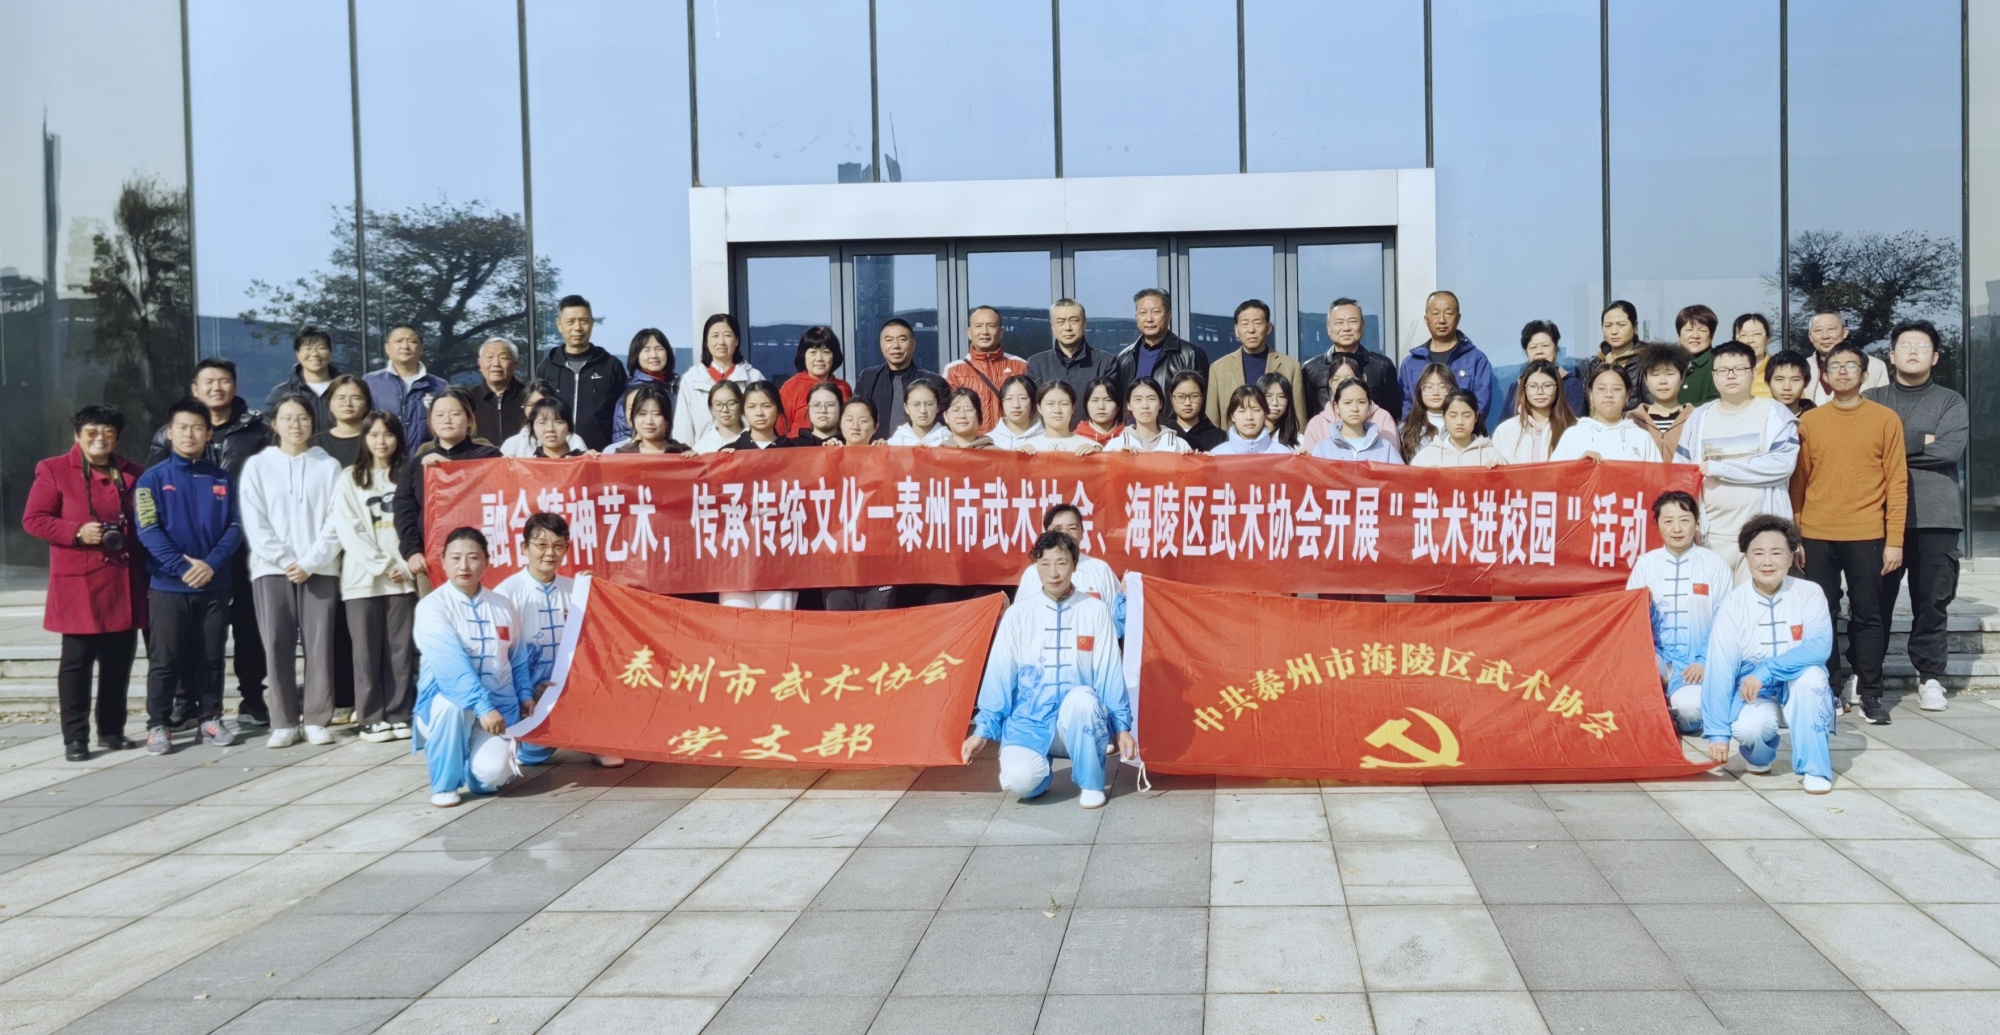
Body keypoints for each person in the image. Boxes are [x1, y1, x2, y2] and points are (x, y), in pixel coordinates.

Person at [968, 530, 1135, 809]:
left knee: (1084, 699)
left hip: (1078, 721)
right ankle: (1039, 774)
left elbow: (1110, 674)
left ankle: (1091, 783)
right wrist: (981, 732)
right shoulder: (1018, 615)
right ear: (1036, 566)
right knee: (1021, 782)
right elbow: (999, 676)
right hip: (1029, 721)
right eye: (1044, 563)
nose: (1053, 572)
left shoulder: (1095, 610)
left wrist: (1121, 728)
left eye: (1061, 562)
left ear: (1074, 564)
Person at [148, 358, 271, 731]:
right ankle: (186, 704)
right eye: (209, 381)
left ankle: (252, 697)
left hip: (243, 548)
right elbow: (155, 497)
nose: (217, 387)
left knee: (248, 628)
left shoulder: (259, 430)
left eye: (224, 381)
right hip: (184, 557)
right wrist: (178, 560)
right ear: (195, 389)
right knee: (187, 635)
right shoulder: (167, 436)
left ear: (235, 385)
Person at [1791, 340, 1908, 725]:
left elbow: (1897, 483)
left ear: (1865, 373)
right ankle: (1828, 688)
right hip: (1817, 533)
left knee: (1868, 614)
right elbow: (1798, 483)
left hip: (1867, 532)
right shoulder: (1811, 422)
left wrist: (1894, 540)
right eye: (1835, 366)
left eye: (1850, 366)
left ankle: (1871, 693)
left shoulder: (1885, 419)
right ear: (1824, 375)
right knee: (1821, 613)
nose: (1842, 371)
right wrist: (1797, 535)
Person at [24, 406, 147, 760]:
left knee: (118, 661)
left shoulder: (132, 472)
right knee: (76, 663)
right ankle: (75, 737)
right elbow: (34, 519)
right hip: (79, 584)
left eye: (108, 432)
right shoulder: (53, 470)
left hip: (122, 580)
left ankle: (112, 730)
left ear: (117, 437)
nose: (100, 438)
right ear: (77, 435)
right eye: (92, 431)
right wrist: (76, 532)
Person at [1866, 320, 1966, 714]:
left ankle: (1930, 677)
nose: (1912, 351)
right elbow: (1864, 449)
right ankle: (1867, 674)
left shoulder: (1950, 401)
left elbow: (1949, 450)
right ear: (1891, 356)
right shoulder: (1872, 398)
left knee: (1932, 601)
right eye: (1905, 345)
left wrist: (1890, 446)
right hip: (1878, 515)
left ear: (1935, 357)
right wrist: (1922, 440)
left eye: (1921, 346)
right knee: (1873, 600)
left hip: (1936, 517)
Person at [135, 398, 244, 754]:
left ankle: (210, 718)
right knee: (165, 659)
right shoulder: (151, 480)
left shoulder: (223, 478)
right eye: (182, 428)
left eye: (198, 428)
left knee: (211, 656)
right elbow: (148, 530)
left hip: (214, 584)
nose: (189, 434)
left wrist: (211, 564)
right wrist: (182, 568)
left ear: (209, 434)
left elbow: (236, 526)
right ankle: (158, 724)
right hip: (169, 586)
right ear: (169, 432)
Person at [1701, 515, 1837, 794]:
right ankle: (1759, 756)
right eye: (1758, 553)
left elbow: (1820, 647)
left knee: (1812, 678)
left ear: (1791, 555)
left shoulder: (1810, 593)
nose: (1767, 562)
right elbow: (1720, 667)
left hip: (1796, 680)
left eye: (1776, 553)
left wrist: (1767, 670)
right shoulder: (1733, 603)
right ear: (1746, 556)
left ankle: (1815, 769)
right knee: (1751, 728)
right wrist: (1717, 732)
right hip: (1753, 687)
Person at [239, 394, 344, 748]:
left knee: (319, 644)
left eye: (302, 418)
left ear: (313, 423)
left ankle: (316, 718)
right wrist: (286, 561)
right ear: (274, 424)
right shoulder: (258, 466)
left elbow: (336, 519)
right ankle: (283, 721)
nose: (295, 425)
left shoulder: (328, 466)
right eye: (287, 418)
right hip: (271, 569)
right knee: (276, 642)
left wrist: (311, 561)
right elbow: (254, 520)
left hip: (321, 568)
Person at [411, 527, 532, 807]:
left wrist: (525, 695)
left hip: (498, 709)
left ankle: (471, 758)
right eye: (455, 558)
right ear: (443, 562)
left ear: (486, 562)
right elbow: (451, 664)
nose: (464, 566)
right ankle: (444, 783)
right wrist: (482, 707)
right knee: (453, 706)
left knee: (490, 780)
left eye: (473, 558)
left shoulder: (503, 606)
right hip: (449, 707)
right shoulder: (432, 607)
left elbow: (518, 658)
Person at [496, 512, 623, 768]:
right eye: (541, 545)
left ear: (567, 548)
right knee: (530, 756)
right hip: (527, 694)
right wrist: (526, 692)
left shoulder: (576, 588)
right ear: (525, 548)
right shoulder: (506, 594)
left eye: (557, 545)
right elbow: (498, 659)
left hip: (572, 690)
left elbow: (601, 638)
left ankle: (593, 739)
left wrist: (597, 593)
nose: (549, 553)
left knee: (613, 757)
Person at [1673, 341, 1799, 576]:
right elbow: (1681, 475)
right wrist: (1690, 523)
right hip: (1711, 537)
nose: (1730, 375)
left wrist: (1721, 468)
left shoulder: (1774, 414)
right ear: (1713, 375)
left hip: (1762, 537)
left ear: (1753, 372)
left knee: (1756, 598)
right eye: (1722, 370)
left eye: (1739, 369)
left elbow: (1782, 465)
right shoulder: (1699, 417)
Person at [332, 411, 417, 743]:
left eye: (388, 434)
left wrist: (405, 565)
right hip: (363, 579)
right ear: (364, 439)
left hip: (403, 577)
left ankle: (398, 713)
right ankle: (370, 717)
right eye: (374, 435)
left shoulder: (409, 474)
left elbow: (418, 523)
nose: (382, 441)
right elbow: (348, 529)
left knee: (400, 651)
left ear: (398, 438)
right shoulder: (349, 478)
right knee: (366, 652)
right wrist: (383, 564)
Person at [1627, 491, 1734, 733]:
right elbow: (1630, 620)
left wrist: (1704, 661)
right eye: (1668, 521)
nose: (1677, 528)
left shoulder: (1714, 565)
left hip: (1695, 662)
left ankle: (1672, 709)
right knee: (1631, 684)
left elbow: (1725, 621)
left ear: (1696, 523)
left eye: (1684, 520)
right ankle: (1661, 708)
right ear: (1657, 525)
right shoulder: (1645, 564)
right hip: (1655, 656)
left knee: (1690, 711)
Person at [394, 389, 503, 591]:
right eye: (439, 415)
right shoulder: (416, 465)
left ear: (469, 419)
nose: (447, 420)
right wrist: (412, 551)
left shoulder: (489, 457)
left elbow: (503, 496)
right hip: (432, 558)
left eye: (455, 414)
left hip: (483, 556)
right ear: (430, 421)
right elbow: (405, 512)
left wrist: (451, 471)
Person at [533, 295, 626, 450]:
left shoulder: (610, 366)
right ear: (559, 325)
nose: (577, 327)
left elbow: (623, 414)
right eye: (570, 322)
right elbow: (537, 412)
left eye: (584, 321)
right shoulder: (546, 367)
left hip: (601, 453)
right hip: (557, 454)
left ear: (592, 323)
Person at [1014, 505, 1123, 633]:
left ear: (1082, 532)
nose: (1065, 533)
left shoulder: (1101, 569)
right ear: (1047, 534)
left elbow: (1116, 622)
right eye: (1058, 529)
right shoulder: (1032, 573)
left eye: (1072, 528)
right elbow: (1019, 621)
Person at [1205, 300, 1303, 425]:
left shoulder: (1291, 367)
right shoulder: (1218, 369)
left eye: (1257, 323)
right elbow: (1212, 418)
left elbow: (1299, 419)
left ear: (1269, 328)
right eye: (1245, 324)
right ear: (1236, 330)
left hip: (1278, 436)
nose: (1251, 330)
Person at [1397, 290, 1492, 418]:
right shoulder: (1411, 363)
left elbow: (1481, 405)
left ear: (1458, 318)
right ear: (1426, 319)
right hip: (1420, 430)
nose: (1442, 320)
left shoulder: (1476, 359)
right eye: (1435, 313)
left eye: (1448, 313)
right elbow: (1406, 406)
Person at [1301, 297, 1401, 418]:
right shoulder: (1311, 369)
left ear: (1363, 326)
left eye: (1352, 321)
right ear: (1328, 328)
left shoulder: (1383, 366)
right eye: (1339, 323)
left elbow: (1394, 415)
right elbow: (1305, 416)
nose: (1346, 328)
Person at [674, 314, 763, 445]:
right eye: (715, 336)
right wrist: (685, 453)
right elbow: (683, 427)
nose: (721, 342)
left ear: (737, 341)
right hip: (704, 454)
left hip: (745, 453)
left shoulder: (753, 377)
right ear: (706, 342)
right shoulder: (691, 379)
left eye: (727, 335)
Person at [363, 325, 450, 453]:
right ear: (387, 348)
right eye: (399, 341)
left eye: (412, 341)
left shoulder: (439, 385)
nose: (405, 346)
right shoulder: (370, 382)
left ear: (421, 349)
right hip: (384, 457)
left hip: (426, 458)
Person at [944, 306, 1030, 434]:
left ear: (1001, 332)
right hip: (972, 442)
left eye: (991, 326)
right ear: (969, 332)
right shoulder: (954, 370)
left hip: (1010, 441)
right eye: (978, 326)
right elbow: (947, 413)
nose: (985, 331)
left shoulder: (1021, 366)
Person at [1551, 364, 1661, 462]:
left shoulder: (1642, 438)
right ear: (1590, 395)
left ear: (1627, 395)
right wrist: (1578, 466)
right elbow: (1555, 475)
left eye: (1616, 389)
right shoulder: (1573, 436)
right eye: (1601, 389)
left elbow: (1656, 477)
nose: (1609, 394)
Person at [853, 318, 939, 443]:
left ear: (913, 344)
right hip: (876, 451)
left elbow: (942, 423)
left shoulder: (933, 381)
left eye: (902, 339)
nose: (896, 346)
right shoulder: (868, 378)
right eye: (889, 340)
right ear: (881, 345)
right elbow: (856, 415)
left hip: (918, 450)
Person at [1027, 298, 1119, 410]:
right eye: (1061, 322)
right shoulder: (1037, 364)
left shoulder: (1106, 362)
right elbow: (1032, 408)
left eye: (1074, 321)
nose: (1067, 328)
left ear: (1084, 324)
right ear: (1052, 326)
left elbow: (1110, 406)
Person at [1114, 287, 1208, 392]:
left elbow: (1202, 397)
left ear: (1169, 316)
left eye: (1156, 312)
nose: (1149, 319)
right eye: (1143, 313)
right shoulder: (1124, 358)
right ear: (1136, 318)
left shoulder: (1191, 354)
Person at [1301, 353, 1398, 452]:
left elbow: (1391, 458)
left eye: (1348, 379)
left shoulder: (1383, 419)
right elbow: (1310, 460)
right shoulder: (1317, 424)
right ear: (1330, 383)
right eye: (1336, 379)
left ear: (1363, 379)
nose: (1342, 384)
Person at [1490, 360, 1577, 464]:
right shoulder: (1505, 431)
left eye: (1547, 385)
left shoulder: (1575, 427)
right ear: (1524, 389)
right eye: (1532, 386)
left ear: (1557, 388)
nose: (1540, 392)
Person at [1497, 320, 1587, 419]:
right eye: (1533, 347)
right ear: (1526, 353)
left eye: (1545, 346)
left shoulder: (1571, 385)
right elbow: (1504, 423)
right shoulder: (1516, 387)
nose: (1539, 351)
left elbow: (1574, 422)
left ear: (1556, 349)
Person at [264, 326, 344, 430]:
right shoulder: (282, 393)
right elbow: (267, 427)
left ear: (330, 352)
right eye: (308, 349)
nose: (315, 354)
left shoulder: (346, 388)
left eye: (321, 348)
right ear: (297, 354)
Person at [1802, 311, 1890, 405]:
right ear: (1810, 337)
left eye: (1831, 329)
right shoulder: (1802, 367)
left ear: (1844, 332)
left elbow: (1884, 405)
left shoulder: (1875, 366)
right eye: (1818, 330)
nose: (1825, 336)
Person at [1309, 378, 1403, 464]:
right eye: (1347, 403)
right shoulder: (1323, 449)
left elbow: (1400, 476)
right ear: (1336, 407)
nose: (1355, 408)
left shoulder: (1386, 449)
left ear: (1370, 406)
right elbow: (1311, 476)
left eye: (1361, 402)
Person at [778, 325, 849, 436]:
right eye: (813, 352)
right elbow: (779, 429)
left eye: (825, 352)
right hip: (800, 446)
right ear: (803, 356)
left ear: (834, 356)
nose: (819, 358)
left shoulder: (843, 387)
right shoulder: (791, 387)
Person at [611, 327, 677, 445]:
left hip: (676, 451)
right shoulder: (631, 392)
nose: (654, 355)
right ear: (636, 355)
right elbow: (622, 435)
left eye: (659, 349)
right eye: (646, 350)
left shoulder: (678, 386)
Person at [1410, 389, 1502, 467]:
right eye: (1453, 415)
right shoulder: (1426, 457)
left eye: (1466, 415)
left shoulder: (1491, 455)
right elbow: (1411, 481)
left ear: (1476, 417)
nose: (1460, 422)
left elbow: (1505, 481)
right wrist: (1427, 477)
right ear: (1444, 417)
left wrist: (1498, 472)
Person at [1633, 344, 1694, 460]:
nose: (1663, 381)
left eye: (1670, 374)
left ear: (1682, 377)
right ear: (1646, 379)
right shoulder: (1633, 420)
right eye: (1655, 374)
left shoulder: (1695, 419)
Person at [499, 381, 586, 457]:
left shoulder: (574, 441)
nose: (536, 408)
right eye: (530, 404)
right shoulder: (512, 443)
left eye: (542, 403)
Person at [1105, 377, 1191, 454]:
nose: (1145, 406)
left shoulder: (1181, 446)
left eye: (1151, 399)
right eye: (1138, 399)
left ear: (1160, 403)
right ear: (1129, 405)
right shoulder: (1115, 447)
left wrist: (1195, 458)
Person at [610, 383, 696, 455]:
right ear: (633, 418)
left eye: (656, 414)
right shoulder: (623, 454)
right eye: (642, 414)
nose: (649, 421)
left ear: (667, 419)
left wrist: (695, 460)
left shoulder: (681, 452)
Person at [470, 336, 526, 446]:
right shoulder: (469, 399)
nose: (496, 364)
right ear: (480, 363)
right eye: (489, 357)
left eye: (503, 358)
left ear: (515, 364)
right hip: (481, 456)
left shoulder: (529, 396)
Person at [1397, 362, 1457, 462]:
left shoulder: (1463, 425)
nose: (1435, 392)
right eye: (1429, 387)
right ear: (1420, 391)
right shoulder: (1404, 429)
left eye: (1442, 387)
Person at [1584, 300, 1643, 398]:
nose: (1614, 331)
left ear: (1635, 327)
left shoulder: (1647, 362)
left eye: (1621, 325)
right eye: (1608, 326)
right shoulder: (1594, 365)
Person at [1022, 382, 1102, 454]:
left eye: (1064, 404)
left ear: (1073, 408)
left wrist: (1096, 454)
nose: (1057, 410)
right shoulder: (1028, 447)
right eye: (1050, 403)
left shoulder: (1090, 447)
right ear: (1039, 408)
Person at [311, 375, 373, 468]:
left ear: (367, 405)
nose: (347, 403)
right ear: (330, 404)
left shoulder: (377, 441)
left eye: (356, 398)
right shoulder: (314, 443)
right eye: (341, 398)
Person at [1209, 385, 1284, 455]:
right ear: (1232, 416)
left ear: (1265, 414)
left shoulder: (1283, 454)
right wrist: (1204, 460)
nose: (1249, 417)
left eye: (1256, 410)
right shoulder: (1217, 454)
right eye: (1242, 411)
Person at [724, 381, 798, 451]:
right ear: (743, 410)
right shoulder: (732, 450)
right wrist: (724, 457)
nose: (759, 413)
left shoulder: (792, 449)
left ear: (778, 409)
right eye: (752, 407)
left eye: (766, 406)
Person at [1167, 371, 1226, 452]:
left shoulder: (1219, 437)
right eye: (1180, 397)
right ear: (1171, 399)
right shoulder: (1162, 434)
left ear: (1202, 398)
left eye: (1194, 396)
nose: (1187, 403)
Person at [1675, 304, 1720, 405]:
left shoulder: (1719, 363)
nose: (1695, 336)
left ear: (1712, 335)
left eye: (1702, 330)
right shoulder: (1669, 363)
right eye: (1689, 330)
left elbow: (1717, 401)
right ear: (1678, 335)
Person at [886, 377, 949, 446]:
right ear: (906, 407)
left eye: (929, 404)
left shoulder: (948, 439)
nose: (923, 410)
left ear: (938, 407)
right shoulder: (895, 442)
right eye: (916, 404)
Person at [989, 374, 1045, 451]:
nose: (1016, 405)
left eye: (1023, 398)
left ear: (1033, 402)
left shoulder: (1049, 439)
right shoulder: (989, 442)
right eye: (1009, 399)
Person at [691, 380, 748, 454]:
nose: (725, 410)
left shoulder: (754, 440)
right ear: (712, 408)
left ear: (741, 405)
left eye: (731, 403)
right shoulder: (701, 447)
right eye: (718, 404)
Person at [789, 382, 846, 447]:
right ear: (809, 409)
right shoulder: (792, 446)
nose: (823, 410)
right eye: (816, 405)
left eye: (830, 405)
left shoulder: (849, 444)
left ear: (840, 408)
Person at [1735, 314, 1776, 398]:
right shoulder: (1727, 373)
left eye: (1757, 334)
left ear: (1767, 339)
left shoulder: (1778, 370)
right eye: (1744, 335)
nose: (1750, 340)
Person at [1765, 350, 1816, 417]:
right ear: (1768, 383)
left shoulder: (1817, 417)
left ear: (1806, 383)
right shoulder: (1758, 417)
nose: (1787, 387)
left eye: (1795, 380)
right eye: (1779, 379)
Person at [1258, 372, 1301, 449]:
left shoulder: (1300, 442)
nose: (1275, 403)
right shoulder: (1244, 440)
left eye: (1281, 397)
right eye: (1268, 396)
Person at [1075, 377, 1123, 445]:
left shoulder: (1128, 437)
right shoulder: (1075, 439)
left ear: (1118, 406)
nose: (1101, 406)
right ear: (1086, 405)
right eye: (1095, 400)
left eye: (1108, 400)